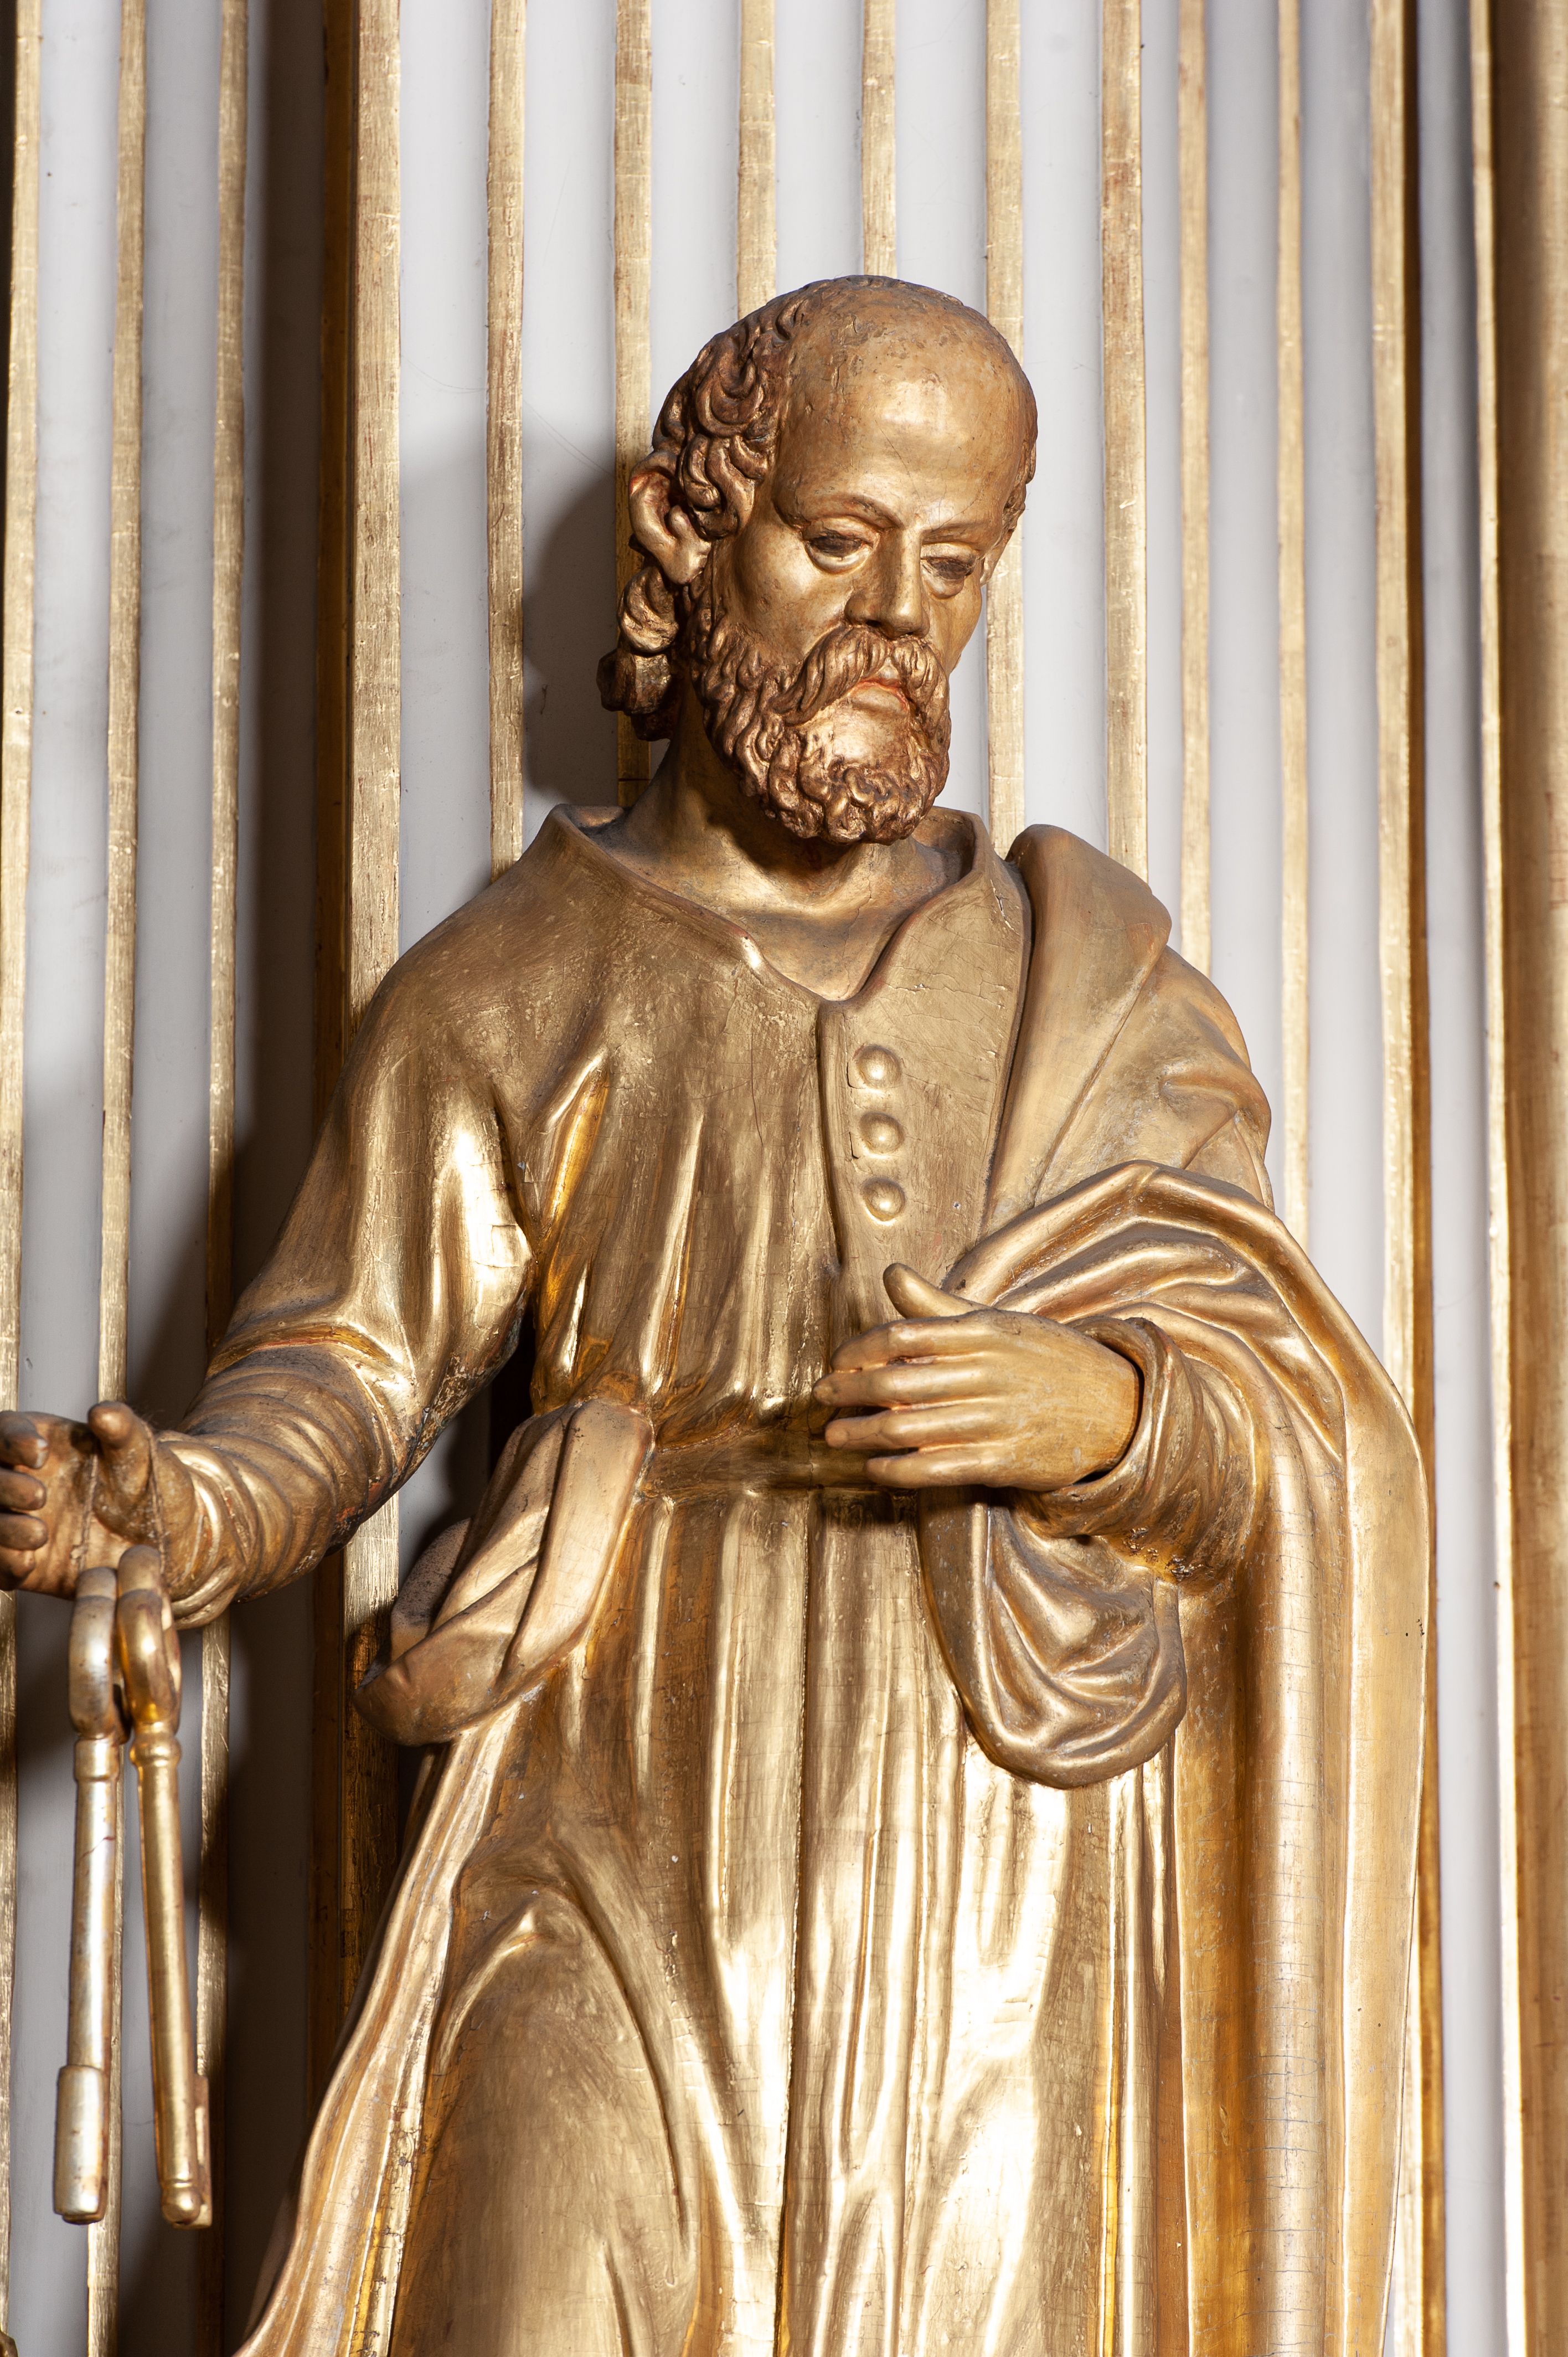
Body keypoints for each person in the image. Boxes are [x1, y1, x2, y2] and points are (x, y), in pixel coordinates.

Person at [0, 277, 1424, 2356]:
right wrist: (178, 1509)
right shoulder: (509, 978)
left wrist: (1107, 1415)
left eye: (955, 565)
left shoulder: (1094, 992)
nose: (897, 617)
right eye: (840, 540)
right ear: (693, 532)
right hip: (612, 1788)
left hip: (988, 1863)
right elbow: (348, 1363)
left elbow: (1289, 1420)